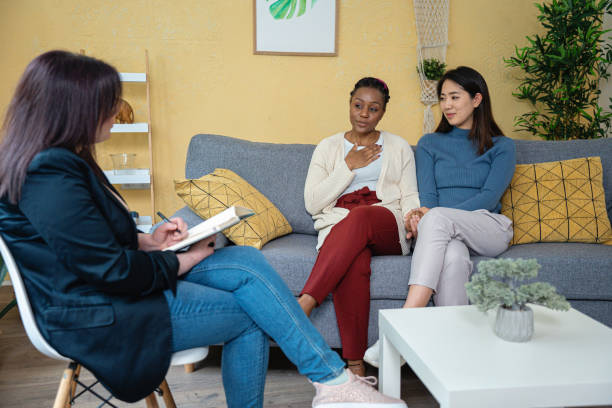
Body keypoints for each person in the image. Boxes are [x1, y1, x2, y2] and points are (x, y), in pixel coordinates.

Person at [0, 51, 408, 408]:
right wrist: (182, 260)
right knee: (251, 315)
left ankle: (332, 382)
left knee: (246, 258)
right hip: (98, 312)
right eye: (108, 102)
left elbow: (89, 241)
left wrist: (149, 240)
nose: (118, 110)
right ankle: (333, 380)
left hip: (110, 290)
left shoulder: (60, 162)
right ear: (72, 108)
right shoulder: (47, 173)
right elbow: (109, 271)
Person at [364, 66, 516, 366]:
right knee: (453, 260)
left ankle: (403, 326)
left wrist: (430, 217)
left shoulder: (502, 146)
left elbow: (488, 197)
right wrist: (422, 216)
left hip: (487, 227)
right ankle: (455, 360)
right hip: (446, 234)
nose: (446, 105)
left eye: (455, 97)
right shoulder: (430, 144)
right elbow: (428, 199)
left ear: (476, 99)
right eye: (443, 98)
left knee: (436, 219)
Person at [298, 77, 420, 377]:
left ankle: (306, 301)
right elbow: (313, 203)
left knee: (362, 216)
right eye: (358, 105)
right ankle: (354, 365)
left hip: (384, 221)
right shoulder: (328, 147)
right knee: (355, 262)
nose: (364, 113)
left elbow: (410, 195)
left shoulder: (398, 146)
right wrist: (347, 166)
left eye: (373, 108)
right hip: (341, 225)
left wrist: (413, 218)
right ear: (350, 104)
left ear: (382, 113)